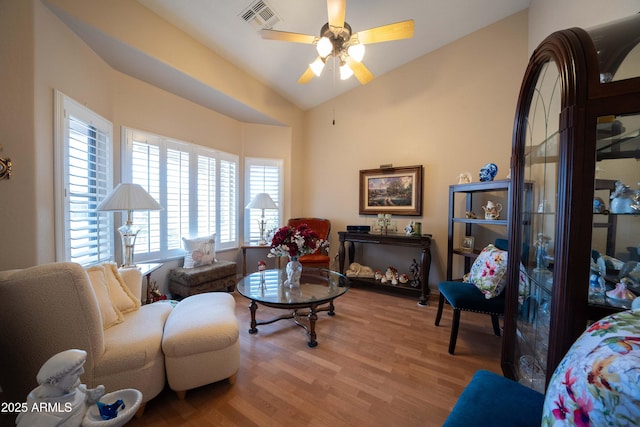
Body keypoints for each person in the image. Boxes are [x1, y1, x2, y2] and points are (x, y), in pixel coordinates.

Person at [16, 349, 105, 427]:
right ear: (55, 382)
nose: (82, 372)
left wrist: (91, 396)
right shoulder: (39, 417)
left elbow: (84, 403)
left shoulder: (75, 390)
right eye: (76, 371)